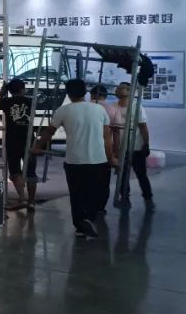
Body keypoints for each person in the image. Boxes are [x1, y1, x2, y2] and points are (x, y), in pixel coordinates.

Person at [32, 78, 115, 240]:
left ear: (68, 94)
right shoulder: (99, 110)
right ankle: (88, 219)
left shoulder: (63, 111)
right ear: (85, 92)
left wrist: (37, 147)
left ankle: (80, 226)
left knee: (76, 194)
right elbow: (107, 137)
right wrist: (110, 157)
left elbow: (49, 132)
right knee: (94, 193)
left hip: (74, 161)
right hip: (98, 160)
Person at [109, 82, 154, 211]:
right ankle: (125, 195)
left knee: (141, 173)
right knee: (122, 173)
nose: (118, 90)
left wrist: (146, 144)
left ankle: (148, 196)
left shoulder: (136, 106)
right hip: (120, 147)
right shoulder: (113, 106)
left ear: (130, 91)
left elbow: (143, 127)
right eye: (118, 88)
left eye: (122, 88)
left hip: (136, 146)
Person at [0, 78, 37, 210]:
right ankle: (31, 202)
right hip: (29, 140)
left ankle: (22, 198)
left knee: (15, 172)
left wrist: (2, 93)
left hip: (12, 141)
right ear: (23, 89)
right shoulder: (31, 101)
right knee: (31, 172)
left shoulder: (6, 102)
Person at [89, 85, 115, 213]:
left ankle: (89, 205)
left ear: (92, 95)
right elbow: (116, 133)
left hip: (88, 147)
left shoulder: (86, 107)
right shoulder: (113, 109)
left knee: (88, 179)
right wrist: (115, 153)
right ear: (105, 95)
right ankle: (100, 207)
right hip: (106, 148)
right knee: (104, 180)